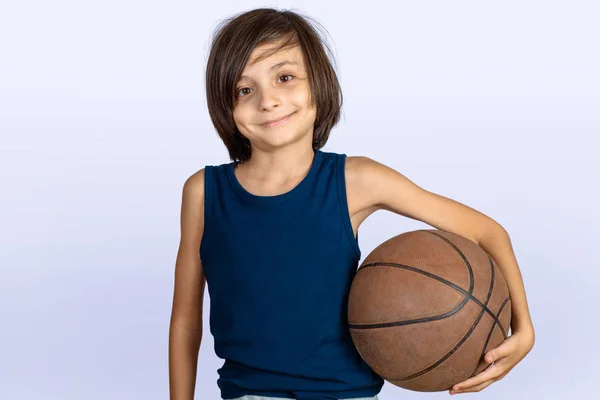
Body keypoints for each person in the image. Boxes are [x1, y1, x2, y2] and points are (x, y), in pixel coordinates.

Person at [168, 8, 535, 400]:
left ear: (318, 85)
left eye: (285, 77)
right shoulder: (204, 192)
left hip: (347, 395)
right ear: (226, 106)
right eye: (245, 89)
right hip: (248, 393)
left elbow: (487, 232)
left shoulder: (356, 180)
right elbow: (186, 323)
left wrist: (523, 329)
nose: (268, 100)